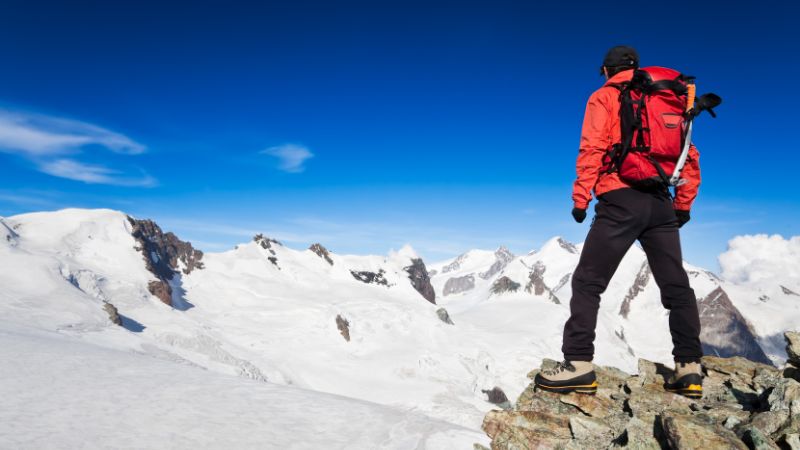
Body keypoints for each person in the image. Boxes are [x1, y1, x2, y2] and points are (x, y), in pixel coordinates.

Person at [534, 46, 704, 398]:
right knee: (676, 288)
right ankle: (689, 369)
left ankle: (578, 366)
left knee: (587, 282)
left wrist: (581, 197)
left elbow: (592, 147)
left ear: (606, 70)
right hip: (662, 202)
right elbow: (689, 154)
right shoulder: (667, 97)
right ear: (636, 68)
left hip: (620, 198)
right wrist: (683, 205)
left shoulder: (606, 95)